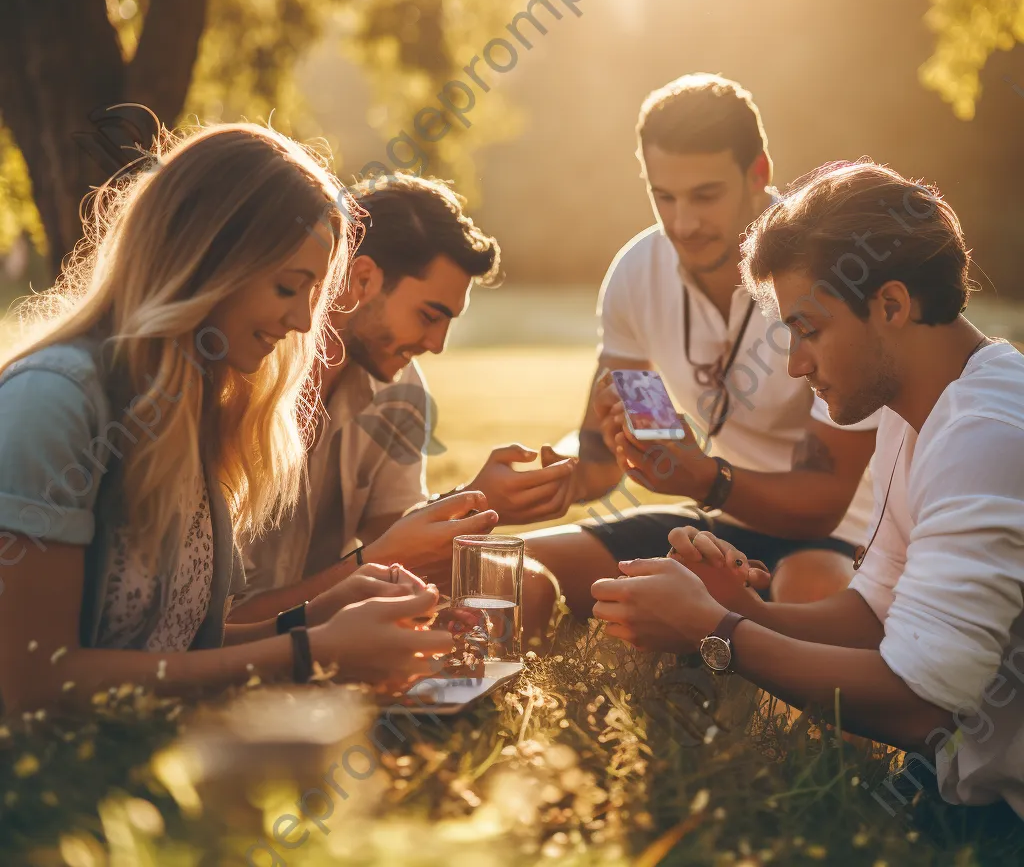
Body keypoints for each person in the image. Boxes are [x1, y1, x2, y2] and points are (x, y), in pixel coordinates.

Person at [592, 161, 1024, 817]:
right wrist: (745, 607)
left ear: (891, 305)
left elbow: (921, 707)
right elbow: (875, 615)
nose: (796, 364)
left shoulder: (982, 433)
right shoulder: (920, 411)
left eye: (808, 330)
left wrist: (717, 630)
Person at [0, 124, 456, 715]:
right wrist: (308, 652)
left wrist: (328, 610)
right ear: (207, 264)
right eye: (289, 287)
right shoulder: (57, 402)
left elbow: (185, 651)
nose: (301, 322)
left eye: (313, 294)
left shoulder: (198, 410)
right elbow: (32, 684)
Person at [524, 74, 877, 615]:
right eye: (663, 197)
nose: (683, 224)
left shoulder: (827, 272)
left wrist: (704, 478)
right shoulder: (637, 272)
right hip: (715, 528)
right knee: (512, 570)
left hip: (839, 538)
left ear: (758, 173)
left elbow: (822, 502)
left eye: (705, 196)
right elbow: (601, 454)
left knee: (808, 597)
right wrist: (557, 474)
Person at [233, 174, 572, 630]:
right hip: (236, 627)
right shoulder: (247, 371)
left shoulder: (401, 388)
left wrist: (479, 502)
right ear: (363, 279)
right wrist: (372, 569)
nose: (437, 344)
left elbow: (395, 534)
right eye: (429, 316)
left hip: (341, 602)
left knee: (529, 588)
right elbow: (205, 619)